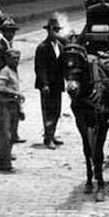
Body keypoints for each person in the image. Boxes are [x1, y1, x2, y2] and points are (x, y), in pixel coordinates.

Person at [34, 17, 67, 149]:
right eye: (54, 30)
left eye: (58, 30)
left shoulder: (60, 46)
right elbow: (40, 68)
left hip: (58, 83)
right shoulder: (42, 47)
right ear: (48, 31)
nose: (56, 33)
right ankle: (48, 138)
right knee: (48, 111)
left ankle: (52, 134)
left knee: (57, 111)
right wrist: (45, 84)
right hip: (47, 85)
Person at [0, 48, 24, 173]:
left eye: (18, 58)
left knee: (12, 136)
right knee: (5, 136)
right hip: (4, 107)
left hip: (14, 106)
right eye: (13, 58)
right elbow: (1, 88)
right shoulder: (4, 72)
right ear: (7, 58)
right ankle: (4, 164)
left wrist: (20, 108)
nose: (16, 61)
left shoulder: (14, 71)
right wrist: (16, 93)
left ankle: (6, 161)